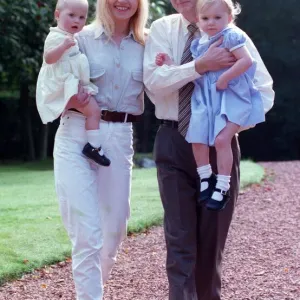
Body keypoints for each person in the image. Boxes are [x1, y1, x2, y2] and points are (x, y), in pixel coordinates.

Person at [143, 0, 274, 297]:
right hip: (174, 138)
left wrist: (227, 130)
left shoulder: (231, 34)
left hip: (220, 145)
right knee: (179, 239)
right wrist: (199, 66)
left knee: (212, 241)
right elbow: (153, 82)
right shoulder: (163, 29)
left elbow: (264, 92)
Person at [51, 0, 148, 298]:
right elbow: (50, 87)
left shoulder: (148, 44)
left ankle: (96, 286)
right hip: (76, 134)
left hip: (119, 136)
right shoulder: (78, 37)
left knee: (114, 228)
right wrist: (71, 97)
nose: (123, 2)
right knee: (87, 232)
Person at [155, 0, 266, 212]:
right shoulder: (200, 44)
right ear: (198, 20)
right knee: (197, 137)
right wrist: (171, 64)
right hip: (209, 98)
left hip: (231, 96)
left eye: (217, 18)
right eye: (206, 19)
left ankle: (223, 185)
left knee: (222, 139)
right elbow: (197, 75)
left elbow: (247, 61)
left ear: (229, 19)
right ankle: (206, 177)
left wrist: (225, 78)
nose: (211, 23)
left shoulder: (232, 36)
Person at [36, 0, 110, 166]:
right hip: (65, 84)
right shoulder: (56, 36)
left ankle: (93, 145)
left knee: (91, 111)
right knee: (94, 111)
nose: (77, 20)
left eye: (82, 17)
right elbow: (48, 58)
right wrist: (62, 46)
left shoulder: (72, 37)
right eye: (71, 15)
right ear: (57, 15)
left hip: (72, 83)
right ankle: (94, 147)